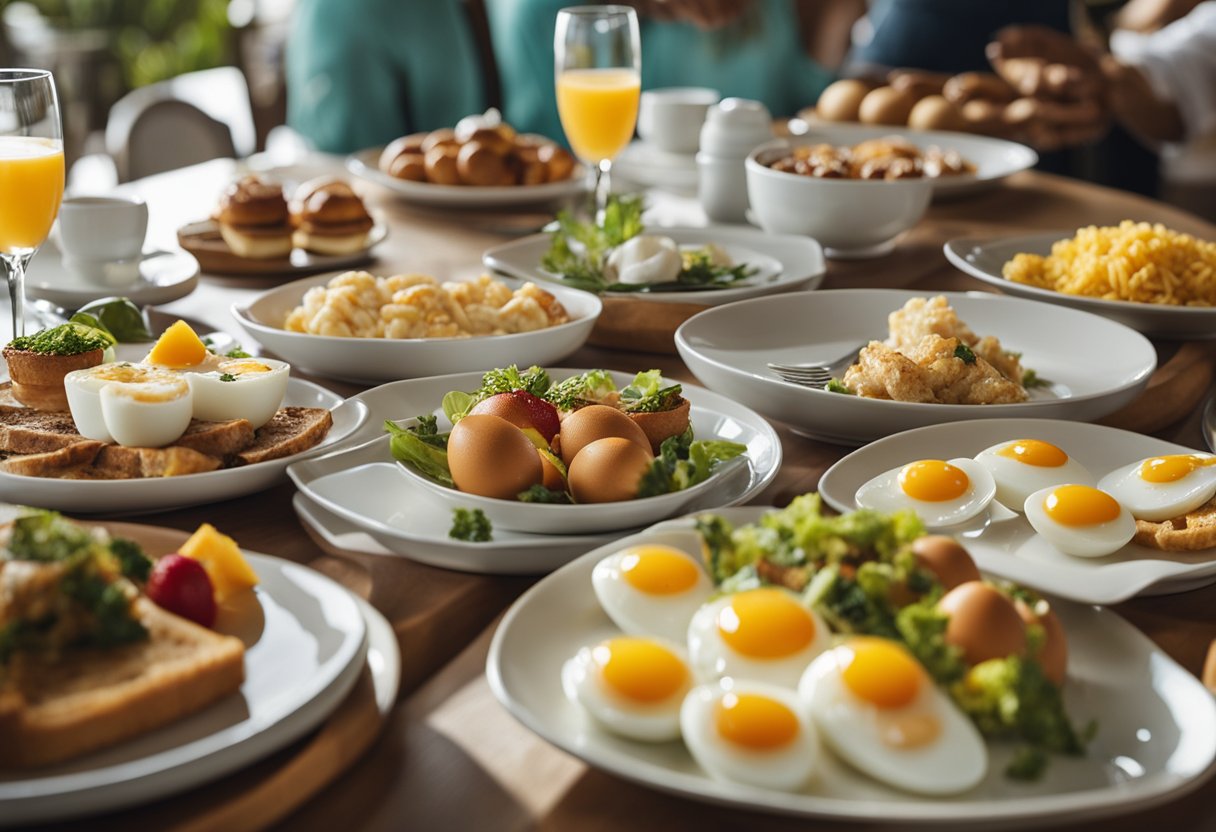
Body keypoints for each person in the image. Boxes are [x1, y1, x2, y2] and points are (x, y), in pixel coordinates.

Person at [486, 0, 835, 143]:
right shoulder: (542, 14)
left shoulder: (765, 10)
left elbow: (799, 97)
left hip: (749, 209)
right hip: (577, 213)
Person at [285, 0, 489, 153]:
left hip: (304, 178)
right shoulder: (429, 9)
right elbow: (458, 140)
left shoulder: (309, 7)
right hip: (383, 195)